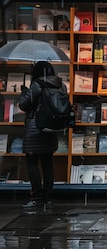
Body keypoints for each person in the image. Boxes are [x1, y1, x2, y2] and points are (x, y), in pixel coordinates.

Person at [17, 61, 65, 208]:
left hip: (35, 129)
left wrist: (24, 92)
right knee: (47, 162)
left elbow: (24, 105)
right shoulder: (60, 85)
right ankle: (48, 195)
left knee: (32, 162)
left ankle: (37, 196)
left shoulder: (37, 85)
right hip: (50, 128)